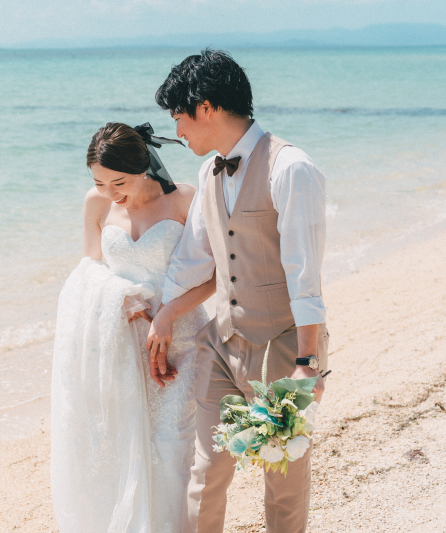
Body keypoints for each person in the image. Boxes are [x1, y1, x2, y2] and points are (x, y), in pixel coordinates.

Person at [149, 49, 330, 533]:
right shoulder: (210, 173)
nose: (178, 131)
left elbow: (304, 273)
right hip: (222, 342)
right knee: (205, 472)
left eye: (179, 117)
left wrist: (308, 363)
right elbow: (193, 262)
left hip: (284, 345)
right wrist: (163, 314)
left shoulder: (290, 168)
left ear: (206, 108)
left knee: (283, 480)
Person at [51, 122, 215, 533]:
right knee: (124, 449)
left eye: (118, 181)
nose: (110, 192)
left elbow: (217, 276)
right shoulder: (97, 204)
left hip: (183, 340)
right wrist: (124, 298)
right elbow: (89, 272)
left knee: (172, 448)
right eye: (99, 181)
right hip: (124, 346)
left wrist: (166, 314)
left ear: (143, 167)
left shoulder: (184, 200)